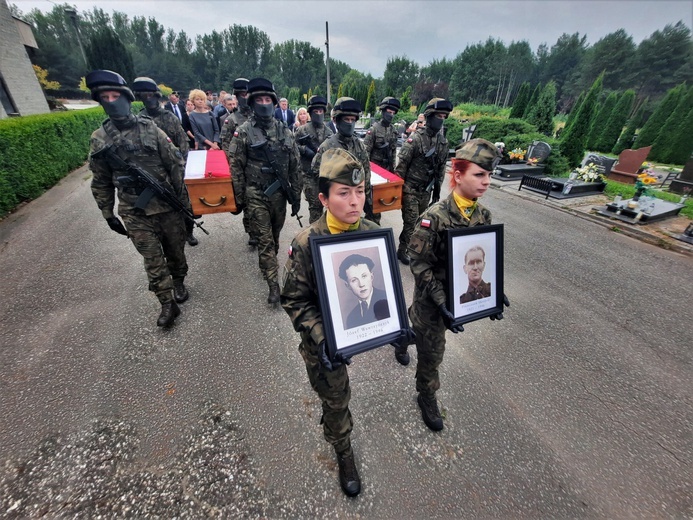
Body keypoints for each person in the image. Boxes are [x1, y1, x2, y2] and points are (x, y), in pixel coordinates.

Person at [280, 147, 380, 497]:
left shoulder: (370, 231)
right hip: (322, 338)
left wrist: (395, 326)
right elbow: (293, 300)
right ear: (323, 199)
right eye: (344, 193)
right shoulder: (306, 243)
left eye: (360, 191)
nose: (356, 202)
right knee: (335, 397)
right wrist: (323, 339)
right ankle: (343, 449)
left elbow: (379, 287)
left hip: (357, 323)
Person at [407, 138, 507, 431]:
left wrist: (493, 293)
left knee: (421, 336)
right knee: (432, 351)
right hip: (432, 301)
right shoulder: (433, 217)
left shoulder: (483, 216)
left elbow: (482, 258)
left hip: (460, 299)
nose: (486, 182)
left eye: (489, 175)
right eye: (479, 174)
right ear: (458, 174)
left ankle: (407, 332)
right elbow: (419, 263)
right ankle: (426, 394)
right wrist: (440, 301)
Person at [86, 69, 190, 327]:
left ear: (126, 97)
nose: (112, 101)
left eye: (115, 95)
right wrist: (107, 212)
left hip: (166, 206)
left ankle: (178, 280)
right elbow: (100, 180)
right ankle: (167, 303)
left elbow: (175, 163)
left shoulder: (151, 129)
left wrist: (182, 201)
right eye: (105, 97)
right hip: (135, 210)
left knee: (175, 252)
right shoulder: (99, 139)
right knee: (152, 258)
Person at [229, 77, 302, 304]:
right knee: (265, 239)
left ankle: (269, 265)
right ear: (251, 103)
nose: (263, 103)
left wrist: (296, 196)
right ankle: (273, 283)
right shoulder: (243, 132)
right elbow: (235, 167)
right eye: (258, 99)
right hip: (256, 194)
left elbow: (295, 165)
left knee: (275, 236)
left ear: (273, 101)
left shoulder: (285, 131)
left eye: (267, 99)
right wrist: (239, 199)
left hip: (279, 195)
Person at [132, 77, 198, 247]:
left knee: (184, 202)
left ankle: (189, 232)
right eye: (144, 96)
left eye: (151, 95)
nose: (149, 99)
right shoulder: (138, 120)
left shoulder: (169, 117)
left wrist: (182, 163)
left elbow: (182, 140)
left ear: (157, 96)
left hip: (175, 167)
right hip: (152, 170)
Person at [395, 98, 452, 265]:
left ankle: (414, 250)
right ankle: (402, 250)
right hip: (410, 189)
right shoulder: (416, 139)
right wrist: (399, 190)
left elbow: (441, 168)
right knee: (411, 223)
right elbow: (402, 166)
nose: (441, 119)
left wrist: (437, 191)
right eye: (438, 116)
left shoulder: (443, 142)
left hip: (426, 191)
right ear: (429, 116)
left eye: (443, 116)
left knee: (422, 224)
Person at [311, 97, 379, 225]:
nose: (350, 123)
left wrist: (368, 202)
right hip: (337, 202)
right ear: (337, 121)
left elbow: (366, 174)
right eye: (346, 119)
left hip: (354, 199)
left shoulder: (359, 145)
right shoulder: (327, 146)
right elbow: (316, 173)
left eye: (352, 120)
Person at [220, 78, 257, 248]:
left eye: (247, 94)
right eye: (242, 94)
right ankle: (251, 231)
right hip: (241, 167)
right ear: (236, 96)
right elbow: (226, 146)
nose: (245, 97)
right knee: (246, 200)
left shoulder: (259, 116)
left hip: (258, 167)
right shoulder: (231, 120)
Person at [295, 95, 333, 223]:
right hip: (309, 175)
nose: (318, 114)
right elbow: (293, 146)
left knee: (331, 207)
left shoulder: (329, 132)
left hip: (326, 175)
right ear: (311, 113)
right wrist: (304, 150)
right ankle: (315, 237)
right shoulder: (302, 130)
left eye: (320, 111)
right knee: (315, 208)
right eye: (315, 111)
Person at [338, 253, 390, 329]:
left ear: (371, 277)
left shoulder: (388, 299)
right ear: (348, 285)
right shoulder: (351, 318)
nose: (361, 284)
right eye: (354, 280)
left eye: (364, 276)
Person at [364, 96, 400, 172]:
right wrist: (367, 171)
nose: (391, 115)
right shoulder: (373, 129)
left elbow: (393, 152)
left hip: (388, 168)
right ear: (383, 111)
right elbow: (366, 153)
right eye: (389, 112)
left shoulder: (394, 130)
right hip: (375, 168)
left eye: (393, 113)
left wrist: (393, 169)